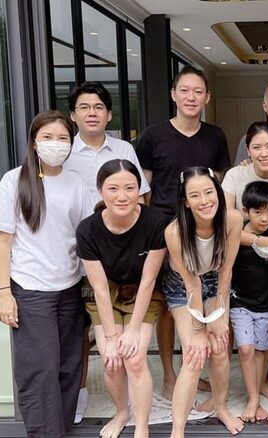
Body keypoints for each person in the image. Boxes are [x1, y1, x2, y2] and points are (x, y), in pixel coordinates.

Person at [0, 110, 90, 437]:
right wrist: (4, 293)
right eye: (47, 137)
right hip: (31, 290)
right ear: (34, 143)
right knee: (40, 369)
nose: (55, 144)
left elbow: (85, 235)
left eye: (62, 138)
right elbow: (2, 242)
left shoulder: (76, 183)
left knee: (69, 366)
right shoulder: (14, 180)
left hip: (70, 287)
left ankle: (60, 429)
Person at [136, 65, 231, 399]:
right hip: (165, 230)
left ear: (207, 97)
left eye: (198, 92)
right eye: (185, 91)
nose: (192, 97)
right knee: (167, 305)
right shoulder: (153, 136)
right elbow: (144, 188)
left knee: (203, 295)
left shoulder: (215, 136)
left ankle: (197, 368)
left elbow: (218, 185)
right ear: (174, 94)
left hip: (202, 231)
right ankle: (169, 374)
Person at [64, 81, 150, 423]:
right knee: (80, 331)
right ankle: (81, 392)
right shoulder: (65, 152)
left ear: (109, 114)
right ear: (73, 115)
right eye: (84, 107)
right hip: (77, 252)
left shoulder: (123, 149)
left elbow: (140, 196)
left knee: (123, 340)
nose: (92, 113)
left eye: (98, 107)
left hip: (121, 253)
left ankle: (131, 406)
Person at [76, 159, 166, 438]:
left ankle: (141, 426)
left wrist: (133, 330)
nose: (122, 196)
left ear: (139, 189)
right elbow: (100, 288)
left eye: (130, 188)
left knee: (135, 358)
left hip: (143, 291)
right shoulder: (87, 229)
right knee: (111, 359)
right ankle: (121, 412)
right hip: (107, 292)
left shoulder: (155, 222)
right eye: (113, 188)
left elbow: (149, 280)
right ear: (100, 190)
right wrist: (112, 337)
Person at [162, 167, 244, 436]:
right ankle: (177, 430)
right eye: (195, 195)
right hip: (183, 285)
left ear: (218, 193)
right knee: (194, 353)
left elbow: (227, 270)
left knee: (219, 347)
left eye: (209, 192)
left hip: (217, 280)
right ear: (185, 201)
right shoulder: (175, 232)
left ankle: (221, 407)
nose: (204, 200)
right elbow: (192, 283)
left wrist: (219, 314)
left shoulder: (232, 219)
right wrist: (198, 330)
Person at [229, 181, 268, 423]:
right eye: (258, 212)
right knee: (246, 349)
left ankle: (260, 385)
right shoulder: (237, 233)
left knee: (261, 350)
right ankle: (253, 399)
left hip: (266, 302)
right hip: (239, 300)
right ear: (245, 211)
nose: (264, 218)